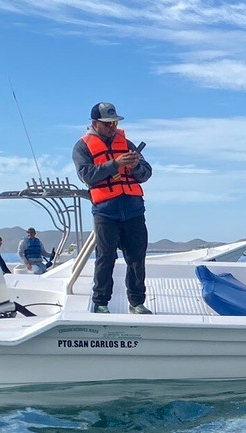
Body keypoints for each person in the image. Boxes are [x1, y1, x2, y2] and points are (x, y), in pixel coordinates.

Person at [72, 101, 153, 314]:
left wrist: (135, 166)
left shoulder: (127, 144)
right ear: (95, 123)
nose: (112, 127)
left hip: (133, 210)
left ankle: (137, 302)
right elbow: (87, 175)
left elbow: (146, 173)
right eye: (108, 123)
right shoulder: (82, 147)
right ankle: (100, 303)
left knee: (136, 258)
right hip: (105, 212)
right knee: (105, 257)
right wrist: (115, 164)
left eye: (115, 123)